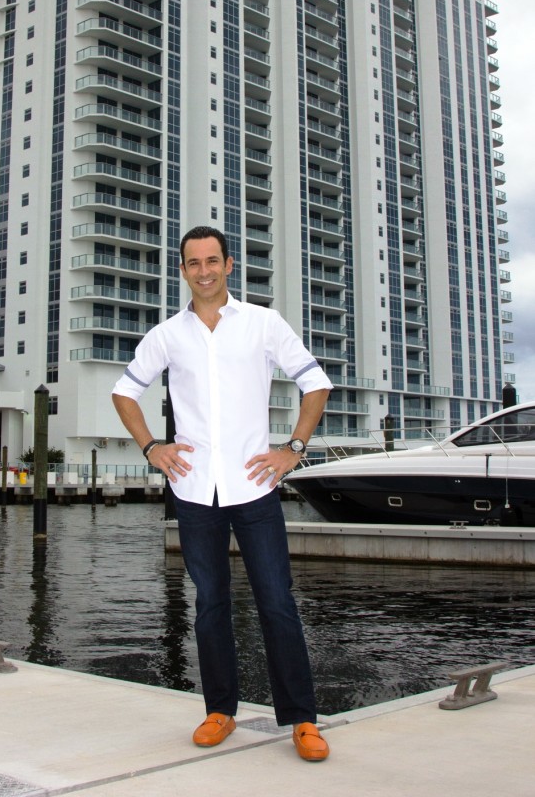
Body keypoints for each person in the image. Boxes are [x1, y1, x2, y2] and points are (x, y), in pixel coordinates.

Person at [112, 225, 332, 761]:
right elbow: (124, 392)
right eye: (193, 263)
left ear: (229, 265)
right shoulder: (168, 334)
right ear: (183, 270)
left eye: (213, 260)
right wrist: (151, 449)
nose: (204, 271)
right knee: (210, 604)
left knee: (276, 603)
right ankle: (219, 711)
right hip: (193, 490)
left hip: (255, 487)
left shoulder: (263, 323)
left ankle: (302, 719)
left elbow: (316, 382)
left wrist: (293, 449)